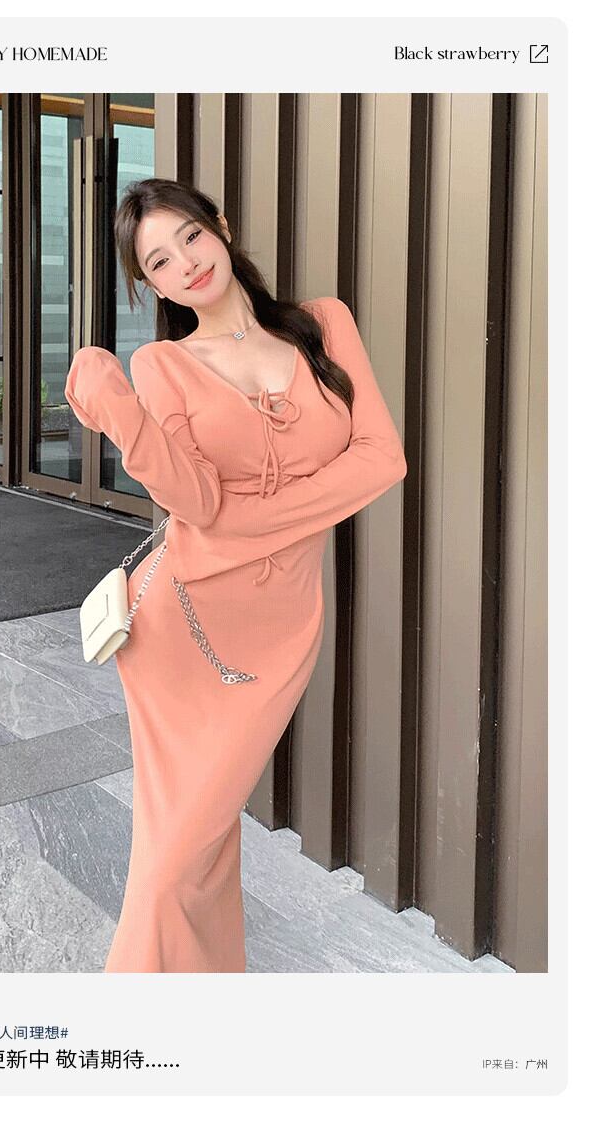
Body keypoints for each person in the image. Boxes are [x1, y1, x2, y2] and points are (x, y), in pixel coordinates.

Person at [64, 177, 407, 972]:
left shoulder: (322, 324)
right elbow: (193, 500)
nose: (185, 262)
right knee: (176, 858)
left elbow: (382, 458)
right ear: (151, 286)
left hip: (280, 629)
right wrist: (121, 414)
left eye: (189, 235)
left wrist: (244, 518)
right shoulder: (162, 365)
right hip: (181, 628)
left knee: (200, 842)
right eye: (158, 261)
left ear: (219, 226)